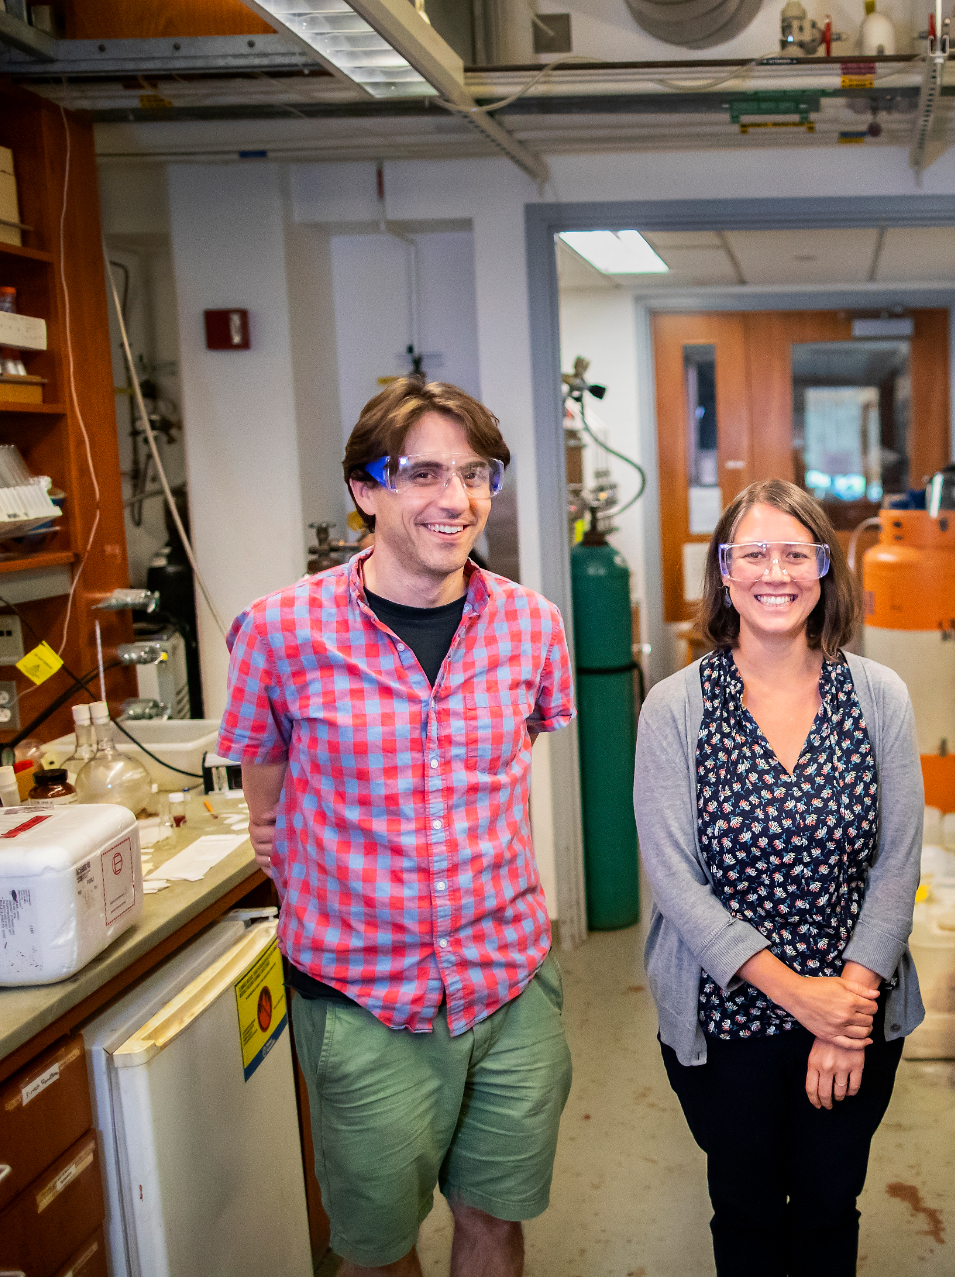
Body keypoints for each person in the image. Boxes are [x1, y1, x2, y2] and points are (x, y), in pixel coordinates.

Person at [218, 378, 575, 1277]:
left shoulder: (531, 626)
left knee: (494, 1217)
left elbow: (507, 761)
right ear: (365, 490)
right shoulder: (278, 631)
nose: (455, 500)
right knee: (377, 1250)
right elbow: (263, 777)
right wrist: (277, 832)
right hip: (365, 998)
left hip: (508, 979)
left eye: (474, 473)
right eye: (422, 474)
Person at [635, 479, 925, 1277]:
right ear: (724, 573)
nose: (776, 571)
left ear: (825, 570)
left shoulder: (878, 698)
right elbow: (674, 879)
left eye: (796, 553)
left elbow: (897, 864)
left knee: (831, 1210)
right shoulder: (675, 708)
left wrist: (846, 1009)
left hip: (855, 1011)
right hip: (725, 1018)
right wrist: (804, 998)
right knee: (748, 1215)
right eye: (753, 553)